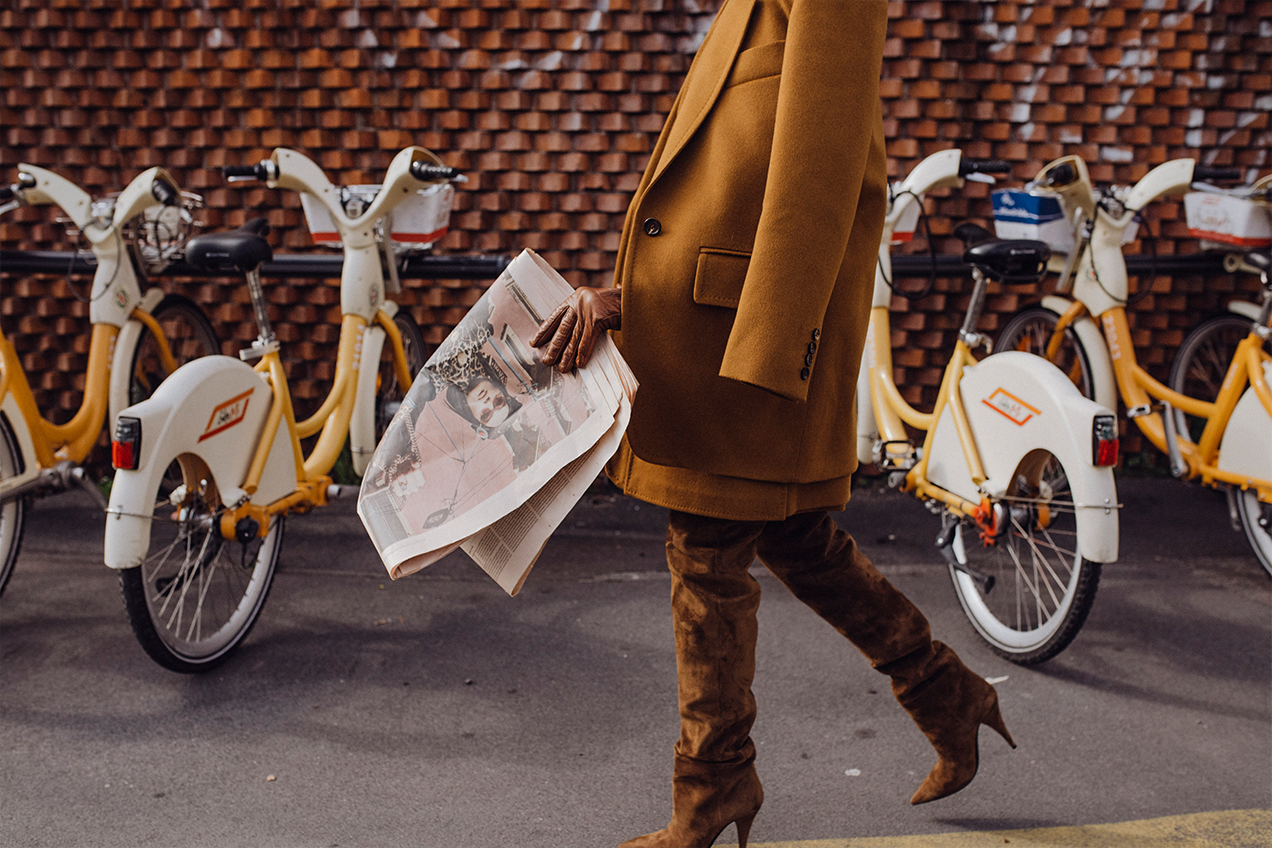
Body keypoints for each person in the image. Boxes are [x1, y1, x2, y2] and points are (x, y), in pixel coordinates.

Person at [531, 2, 1014, 846]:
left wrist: (768, 352)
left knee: (708, 553)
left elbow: (820, 171)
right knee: (792, 537)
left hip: (746, 336)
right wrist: (635, 301)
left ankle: (714, 786)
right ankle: (949, 698)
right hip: (708, 322)